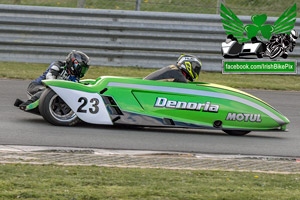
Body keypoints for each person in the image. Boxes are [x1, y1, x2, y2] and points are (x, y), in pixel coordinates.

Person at [17, 50, 90, 110]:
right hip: (37, 86)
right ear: (74, 63)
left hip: (51, 93)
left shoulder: (75, 77)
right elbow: (50, 78)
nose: (82, 71)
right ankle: (27, 104)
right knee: (49, 91)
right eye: (81, 68)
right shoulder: (58, 64)